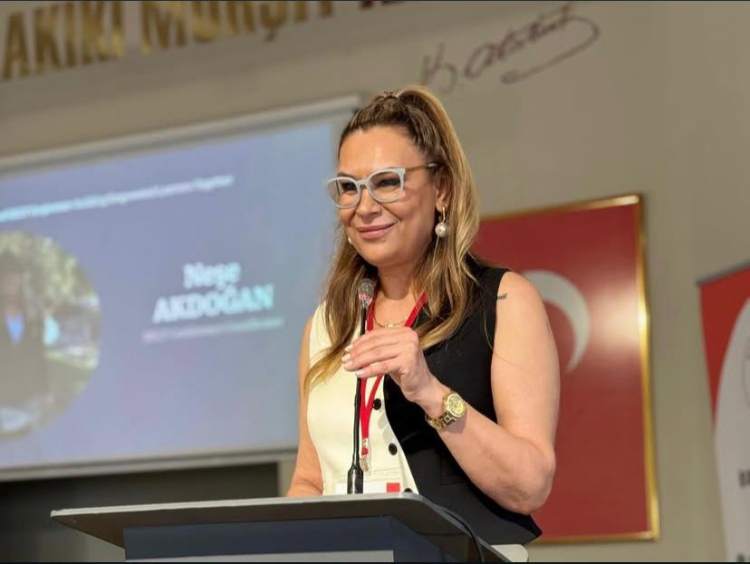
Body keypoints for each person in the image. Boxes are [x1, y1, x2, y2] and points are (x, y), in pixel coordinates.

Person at [287, 86, 559, 548]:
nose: (364, 207)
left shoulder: (502, 300)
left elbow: (530, 485)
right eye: (349, 188)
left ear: (442, 189)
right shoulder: (325, 326)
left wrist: (429, 392)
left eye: (386, 182)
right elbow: (310, 482)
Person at [0, 252, 50, 408]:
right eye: (4, 274)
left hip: (28, 396)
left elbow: (38, 353)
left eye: (14, 274)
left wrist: (44, 389)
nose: (9, 279)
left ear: (20, 279)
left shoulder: (33, 312)